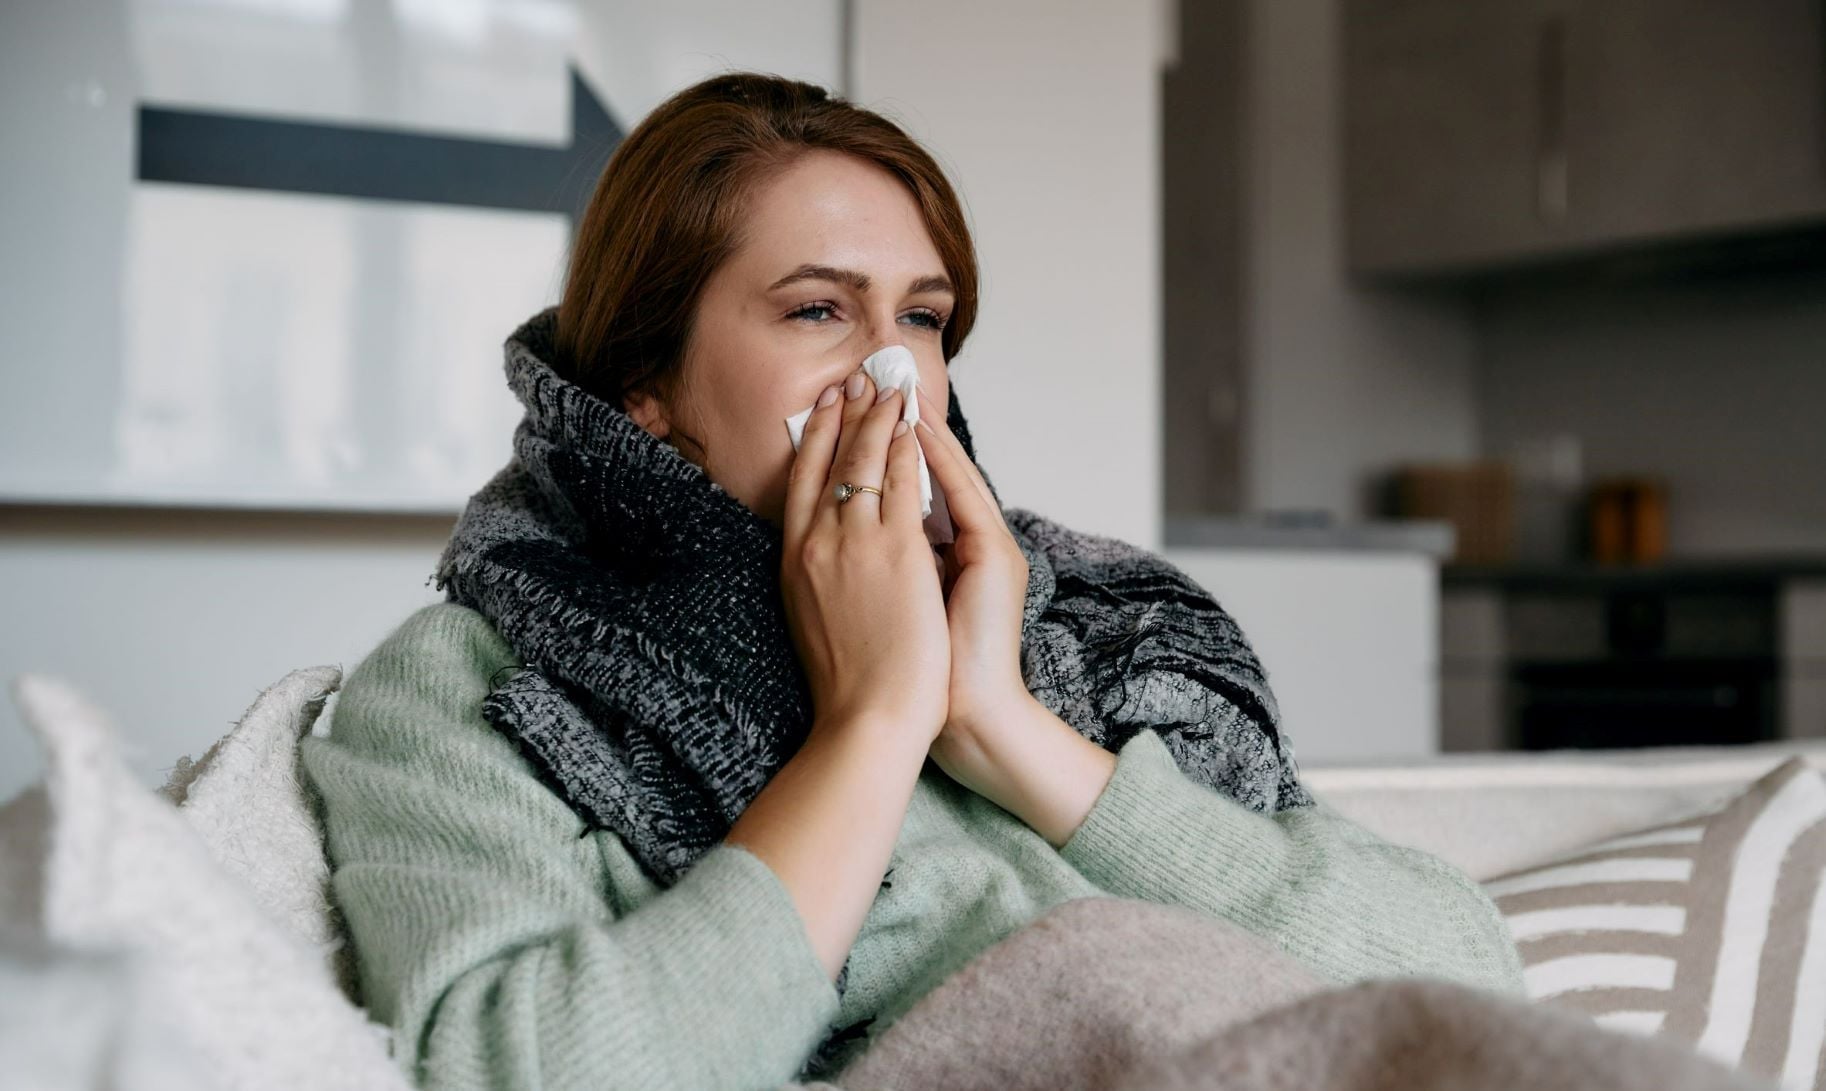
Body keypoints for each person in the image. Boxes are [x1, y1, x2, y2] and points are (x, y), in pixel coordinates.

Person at [300, 71, 1524, 1091]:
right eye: (817, 309)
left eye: (924, 318)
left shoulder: (1093, 626)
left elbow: (1462, 985)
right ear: (648, 399)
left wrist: (1001, 723)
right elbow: (533, 1072)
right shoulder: (474, 685)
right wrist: (872, 724)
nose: (891, 374)